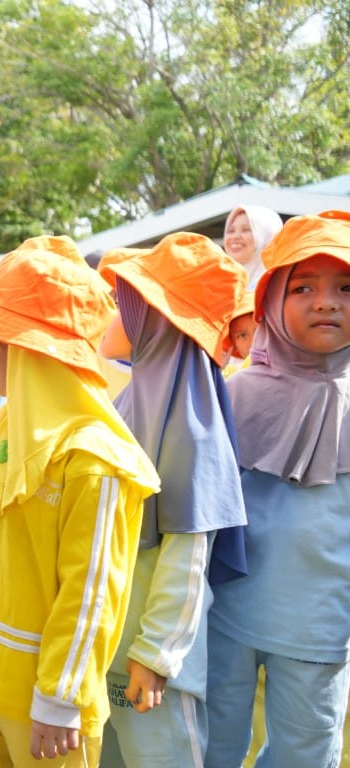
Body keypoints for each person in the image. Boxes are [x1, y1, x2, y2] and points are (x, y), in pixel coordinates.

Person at [0, 239, 160, 768]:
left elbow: (91, 592)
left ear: (20, 348)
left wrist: (60, 696)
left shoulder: (94, 459)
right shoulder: (6, 424)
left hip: (42, 710)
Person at [96, 232, 247, 767]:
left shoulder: (189, 420)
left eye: (125, 303)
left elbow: (188, 554)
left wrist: (156, 654)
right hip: (112, 642)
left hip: (147, 659)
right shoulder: (134, 397)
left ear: (155, 320)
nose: (111, 315)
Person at [205, 211, 350, 768]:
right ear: (269, 301)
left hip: (320, 625)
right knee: (211, 743)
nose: (326, 303)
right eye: (304, 287)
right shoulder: (236, 394)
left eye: (345, 288)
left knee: (304, 752)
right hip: (226, 610)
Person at [223, 206, 283, 289]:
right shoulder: (217, 281)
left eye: (246, 229)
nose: (235, 236)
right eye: (231, 231)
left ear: (266, 236)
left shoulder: (276, 285)